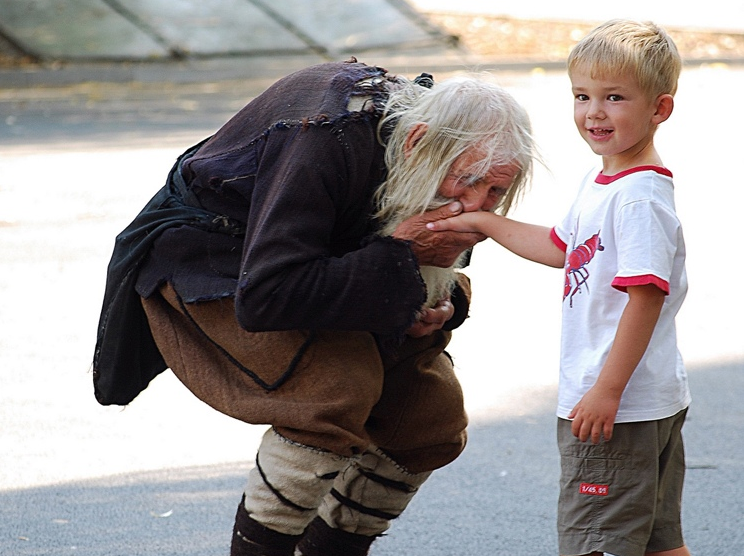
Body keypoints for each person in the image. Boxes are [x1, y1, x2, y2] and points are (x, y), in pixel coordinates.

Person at [92, 58, 535, 555]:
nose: (477, 204)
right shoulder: (326, 134)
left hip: (327, 271)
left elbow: (430, 268)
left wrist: (440, 304)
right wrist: (400, 264)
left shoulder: (436, 160)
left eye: (495, 189)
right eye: (468, 181)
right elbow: (269, 294)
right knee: (333, 390)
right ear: (417, 143)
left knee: (430, 419)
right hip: (219, 265)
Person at [428, 20, 691, 556]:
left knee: (596, 543)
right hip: (643, 401)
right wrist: (484, 225)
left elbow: (646, 296)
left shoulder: (637, 199)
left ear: (659, 110)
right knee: (658, 545)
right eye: (583, 95)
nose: (594, 111)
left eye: (615, 97)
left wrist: (606, 391)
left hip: (616, 405)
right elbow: (560, 247)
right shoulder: (606, 181)